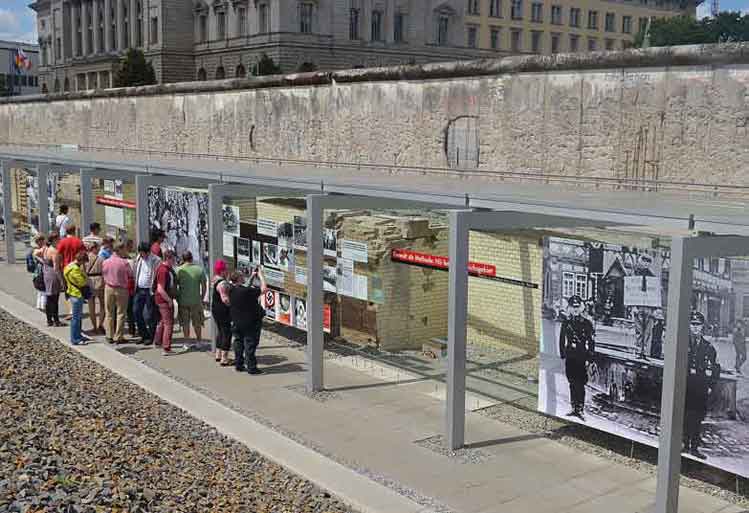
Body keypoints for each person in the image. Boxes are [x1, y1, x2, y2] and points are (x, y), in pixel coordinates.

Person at [684, 311, 720, 460]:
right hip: (685, 385)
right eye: (693, 325)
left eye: (698, 325)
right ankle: (684, 444)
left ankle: (694, 447)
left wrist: (710, 386)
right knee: (684, 415)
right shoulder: (682, 343)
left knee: (697, 417)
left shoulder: (708, 347)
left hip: (700, 387)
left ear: (702, 327)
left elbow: (715, 368)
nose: (695, 328)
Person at [559, 295, 596, 420]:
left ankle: (580, 408)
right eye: (572, 307)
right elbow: (562, 338)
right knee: (571, 382)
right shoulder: (566, 322)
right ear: (569, 308)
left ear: (581, 308)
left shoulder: (587, 323)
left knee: (580, 383)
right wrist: (562, 353)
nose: (575, 310)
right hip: (570, 355)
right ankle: (573, 407)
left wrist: (590, 358)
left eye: (577, 307)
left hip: (581, 355)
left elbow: (591, 342)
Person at [230, 266, 267, 375]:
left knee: (238, 343)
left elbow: (244, 287)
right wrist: (261, 276)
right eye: (242, 276)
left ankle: (239, 364)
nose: (244, 277)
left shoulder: (232, 289)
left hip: (237, 321)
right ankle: (252, 367)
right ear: (239, 279)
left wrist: (251, 277)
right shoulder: (246, 291)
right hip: (250, 323)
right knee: (250, 344)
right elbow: (264, 289)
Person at [101, 242, 133, 344]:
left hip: (109, 288)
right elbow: (131, 274)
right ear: (119, 250)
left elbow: (103, 274)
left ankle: (109, 335)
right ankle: (118, 336)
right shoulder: (124, 262)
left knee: (109, 312)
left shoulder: (106, 262)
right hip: (121, 289)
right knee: (121, 313)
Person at [153, 249, 182, 356]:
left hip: (161, 299)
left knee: (162, 321)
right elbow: (160, 288)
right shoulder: (163, 271)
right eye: (173, 259)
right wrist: (169, 300)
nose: (174, 261)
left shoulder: (165, 268)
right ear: (168, 259)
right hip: (164, 299)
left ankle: (157, 341)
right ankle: (166, 348)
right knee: (169, 324)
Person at [132, 241, 161, 344]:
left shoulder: (156, 260)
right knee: (136, 312)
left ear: (148, 252)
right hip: (139, 289)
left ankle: (151, 336)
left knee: (150, 315)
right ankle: (143, 334)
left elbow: (157, 275)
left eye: (142, 253)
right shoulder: (139, 258)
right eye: (140, 253)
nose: (141, 255)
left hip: (150, 290)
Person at [176, 251, 207, 342]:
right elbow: (204, 286)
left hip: (183, 301)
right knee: (197, 323)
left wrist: (178, 297)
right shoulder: (199, 269)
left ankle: (187, 342)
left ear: (183, 259)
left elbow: (175, 286)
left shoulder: (179, 270)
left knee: (185, 323)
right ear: (191, 258)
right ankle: (199, 341)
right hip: (196, 301)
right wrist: (201, 298)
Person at [37, 231, 65, 327]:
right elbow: (56, 268)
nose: (59, 240)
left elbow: (36, 253)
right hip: (53, 275)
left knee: (49, 298)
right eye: (58, 239)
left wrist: (43, 262)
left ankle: (49, 320)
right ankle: (56, 320)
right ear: (54, 240)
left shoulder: (45, 248)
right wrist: (62, 281)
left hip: (46, 273)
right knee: (54, 299)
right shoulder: (54, 251)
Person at [63, 250, 90, 346]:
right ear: (81, 260)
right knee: (76, 318)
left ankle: (79, 335)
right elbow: (82, 282)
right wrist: (85, 276)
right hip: (77, 294)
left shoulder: (68, 266)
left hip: (72, 292)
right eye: (84, 262)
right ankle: (75, 338)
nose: (84, 264)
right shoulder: (75, 270)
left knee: (78, 317)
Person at [210, 259, 232, 366]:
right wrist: (233, 306)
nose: (228, 271)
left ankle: (218, 354)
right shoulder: (222, 283)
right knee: (227, 333)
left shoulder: (214, 279)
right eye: (226, 269)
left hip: (215, 309)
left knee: (220, 331)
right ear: (222, 271)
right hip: (223, 311)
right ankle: (224, 358)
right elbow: (225, 299)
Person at [86, 240, 105, 334]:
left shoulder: (86, 258)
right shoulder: (101, 259)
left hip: (89, 281)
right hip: (99, 281)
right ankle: (100, 325)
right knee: (102, 305)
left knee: (91, 307)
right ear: (95, 248)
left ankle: (94, 327)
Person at [31, 233, 47, 312]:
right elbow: (44, 262)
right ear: (39, 241)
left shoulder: (35, 249)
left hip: (36, 273)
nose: (44, 242)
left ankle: (39, 305)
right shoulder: (38, 251)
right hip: (41, 273)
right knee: (44, 291)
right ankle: (43, 306)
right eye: (43, 240)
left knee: (40, 291)